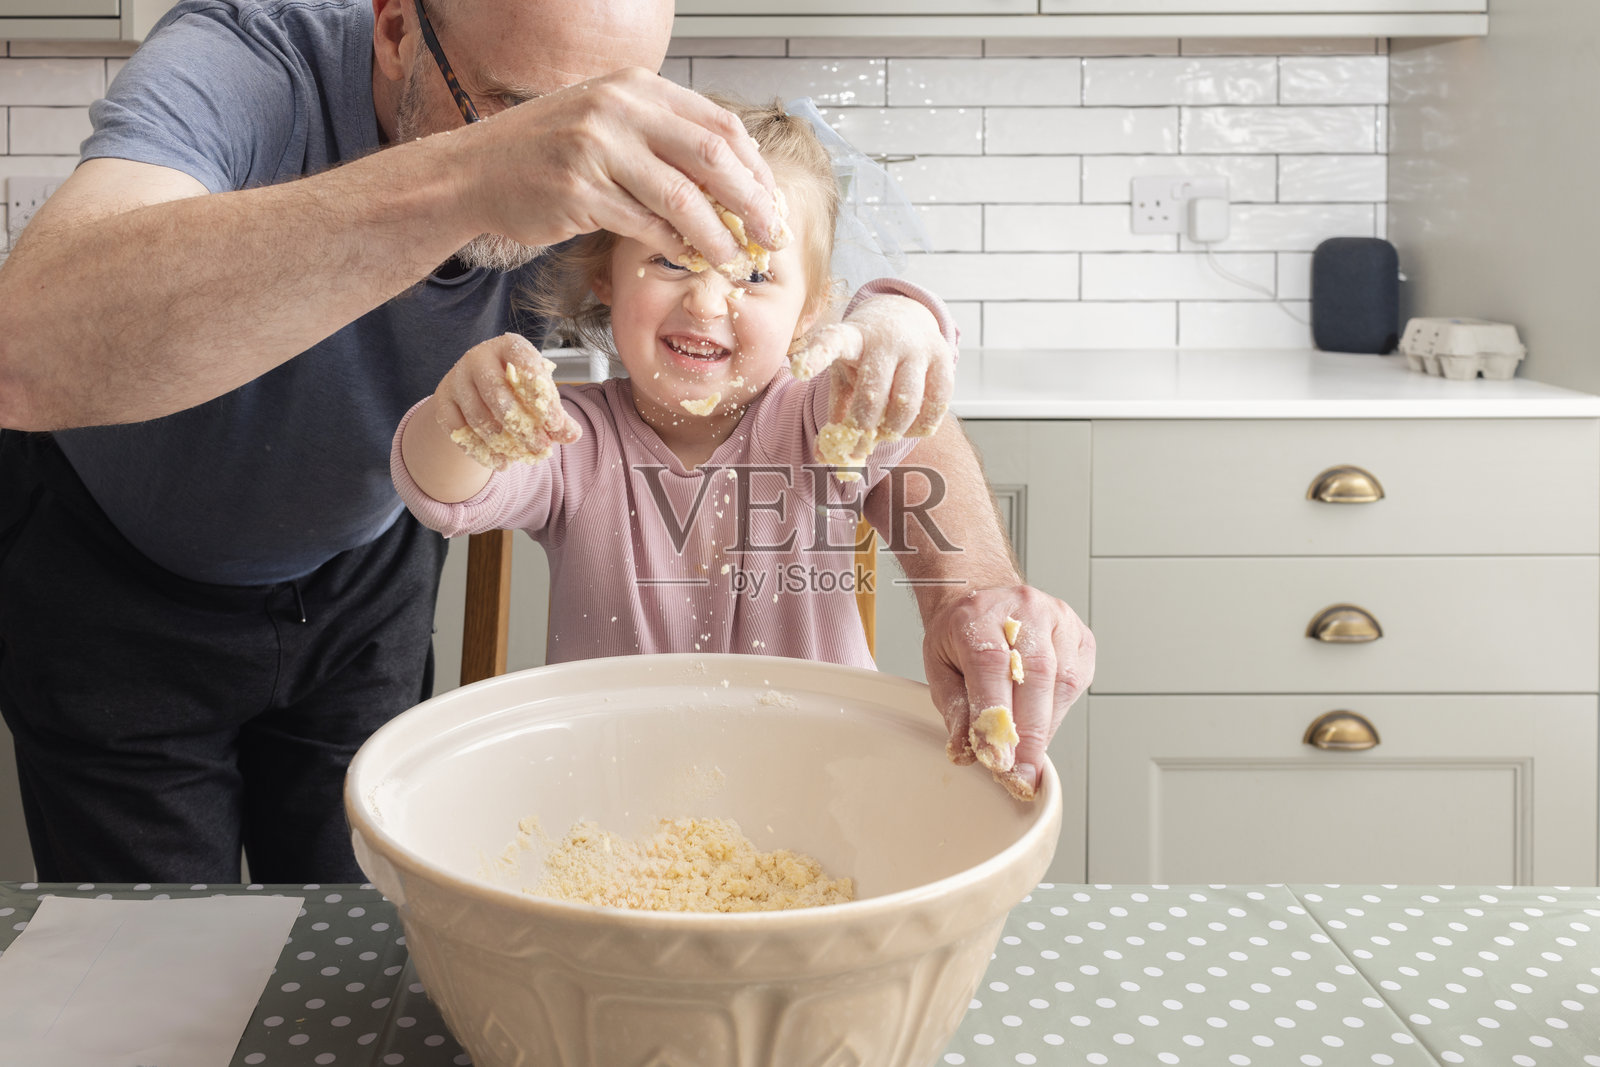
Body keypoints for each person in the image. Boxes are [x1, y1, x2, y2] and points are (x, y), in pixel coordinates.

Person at [0, 0, 1093, 884]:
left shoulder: (598, 121)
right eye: (526, 113)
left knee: (357, 922)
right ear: (394, 28)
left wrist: (965, 577)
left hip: (360, 581)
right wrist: (483, 170)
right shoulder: (247, 62)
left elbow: (852, 310)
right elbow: (27, 348)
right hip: (118, 582)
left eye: (603, 113)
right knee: (153, 957)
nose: (582, 190)